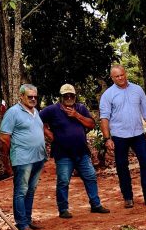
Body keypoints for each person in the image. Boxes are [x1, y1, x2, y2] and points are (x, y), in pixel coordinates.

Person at [40, 84, 110, 218]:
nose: (69, 98)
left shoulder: (80, 108)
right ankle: (63, 209)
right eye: (65, 96)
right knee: (63, 181)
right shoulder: (52, 110)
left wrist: (77, 115)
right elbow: (37, 119)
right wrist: (48, 133)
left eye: (71, 95)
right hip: (63, 152)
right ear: (61, 97)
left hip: (81, 151)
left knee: (90, 177)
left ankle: (95, 204)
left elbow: (91, 124)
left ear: (75, 96)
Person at [100, 64, 146, 208]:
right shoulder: (108, 94)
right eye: (116, 76)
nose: (120, 78)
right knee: (122, 166)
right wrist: (107, 138)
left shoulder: (137, 90)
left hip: (138, 134)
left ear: (125, 74)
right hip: (119, 136)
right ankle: (128, 198)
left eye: (122, 75)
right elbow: (104, 118)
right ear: (112, 78)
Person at [0, 84, 47, 230]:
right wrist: (8, 159)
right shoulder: (13, 112)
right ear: (21, 97)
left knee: (31, 190)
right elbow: (4, 137)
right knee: (21, 191)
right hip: (23, 159)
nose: (33, 99)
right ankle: (21, 224)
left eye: (35, 97)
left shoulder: (35, 112)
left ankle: (27, 219)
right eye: (29, 96)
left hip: (38, 158)